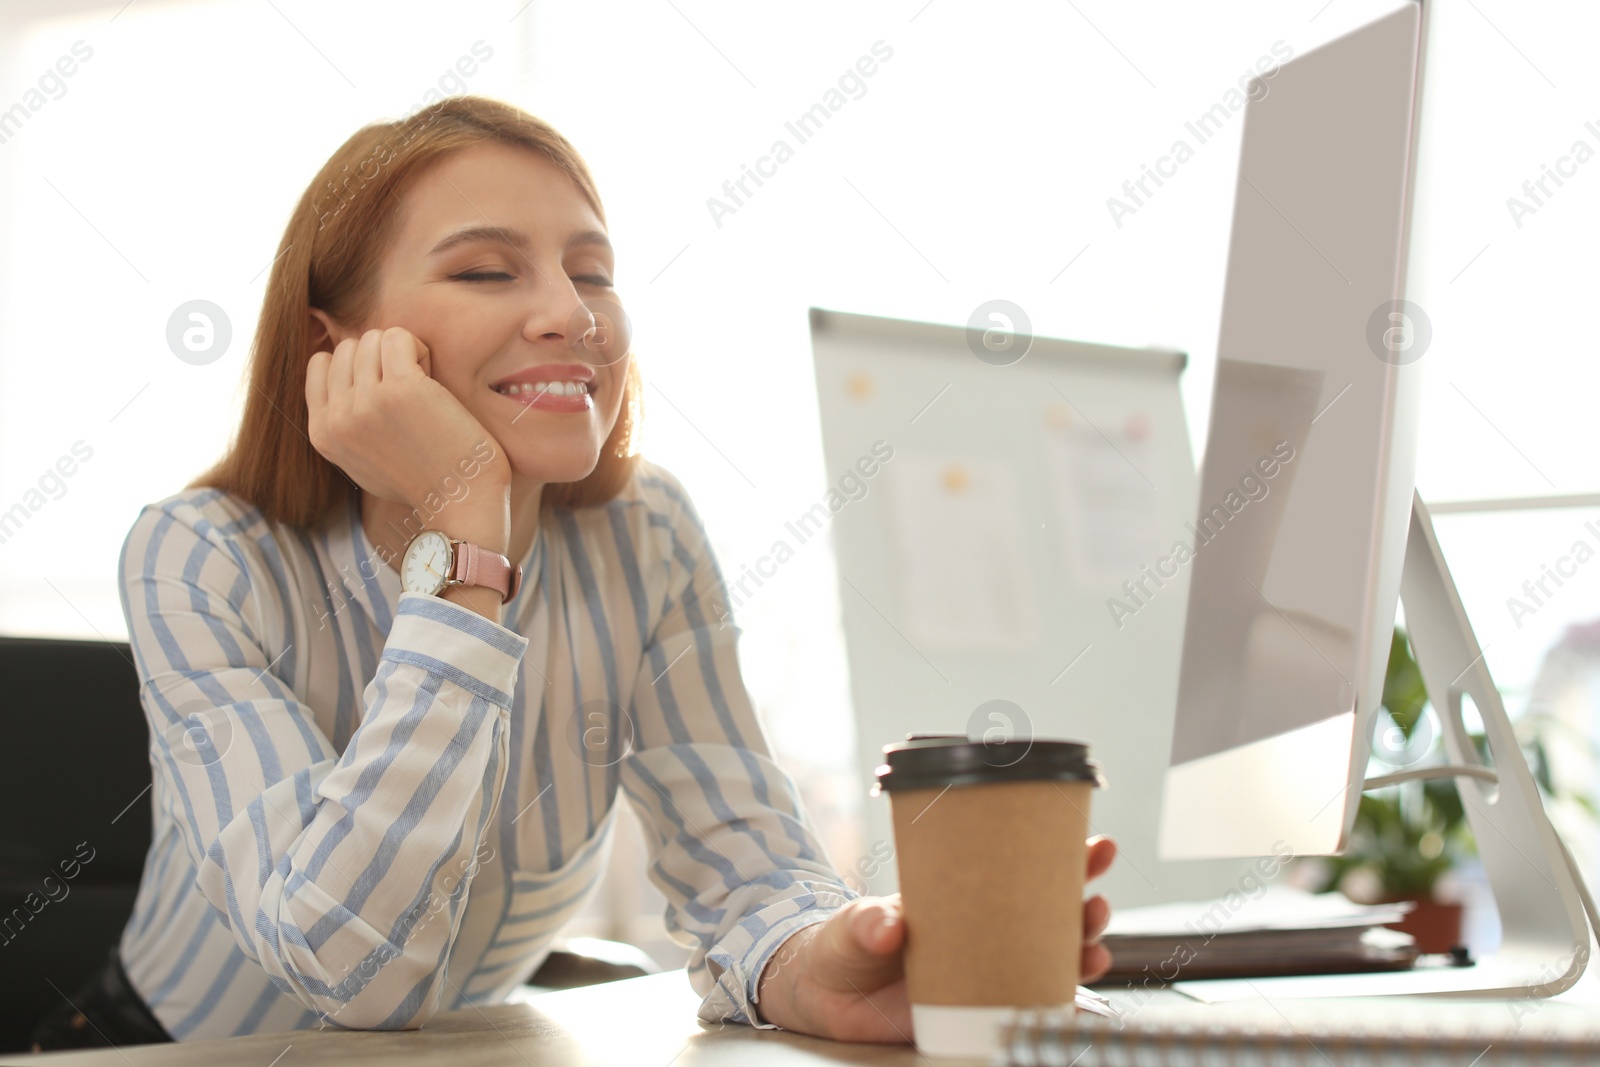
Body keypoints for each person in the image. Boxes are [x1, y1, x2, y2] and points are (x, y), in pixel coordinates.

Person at [30, 94, 1115, 1051]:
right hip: (155, 1051)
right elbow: (348, 970)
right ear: (339, 343)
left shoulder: (647, 533)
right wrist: (466, 536)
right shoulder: (200, 556)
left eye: (590, 271)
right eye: (487, 269)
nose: (572, 313)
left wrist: (819, 962)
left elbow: (745, 869)